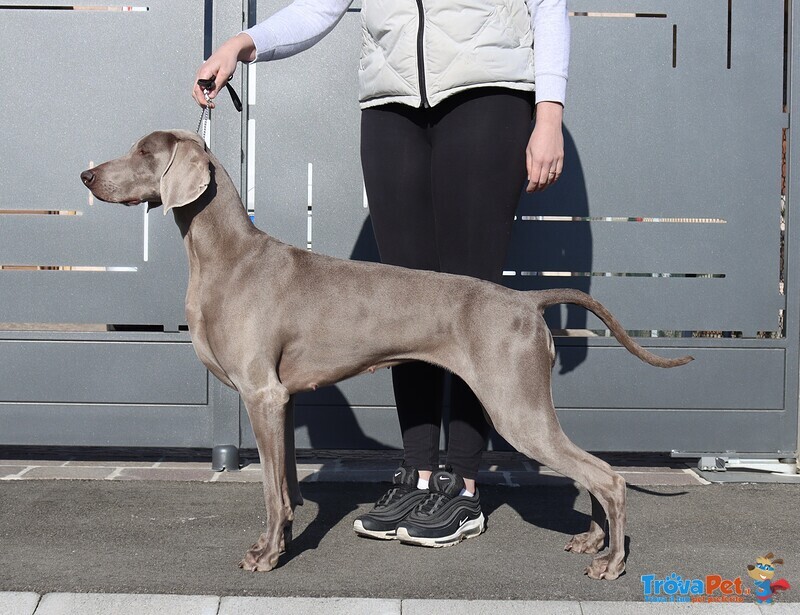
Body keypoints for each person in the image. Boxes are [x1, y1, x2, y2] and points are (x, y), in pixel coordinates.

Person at [194, 0, 569, 548]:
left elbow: (549, 6)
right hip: (392, 108)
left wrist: (550, 112)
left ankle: (461, 485)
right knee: (402, 301)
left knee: (470, 303)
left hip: (488, 97)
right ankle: (418, 473)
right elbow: (316, 10)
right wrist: (239, 45)